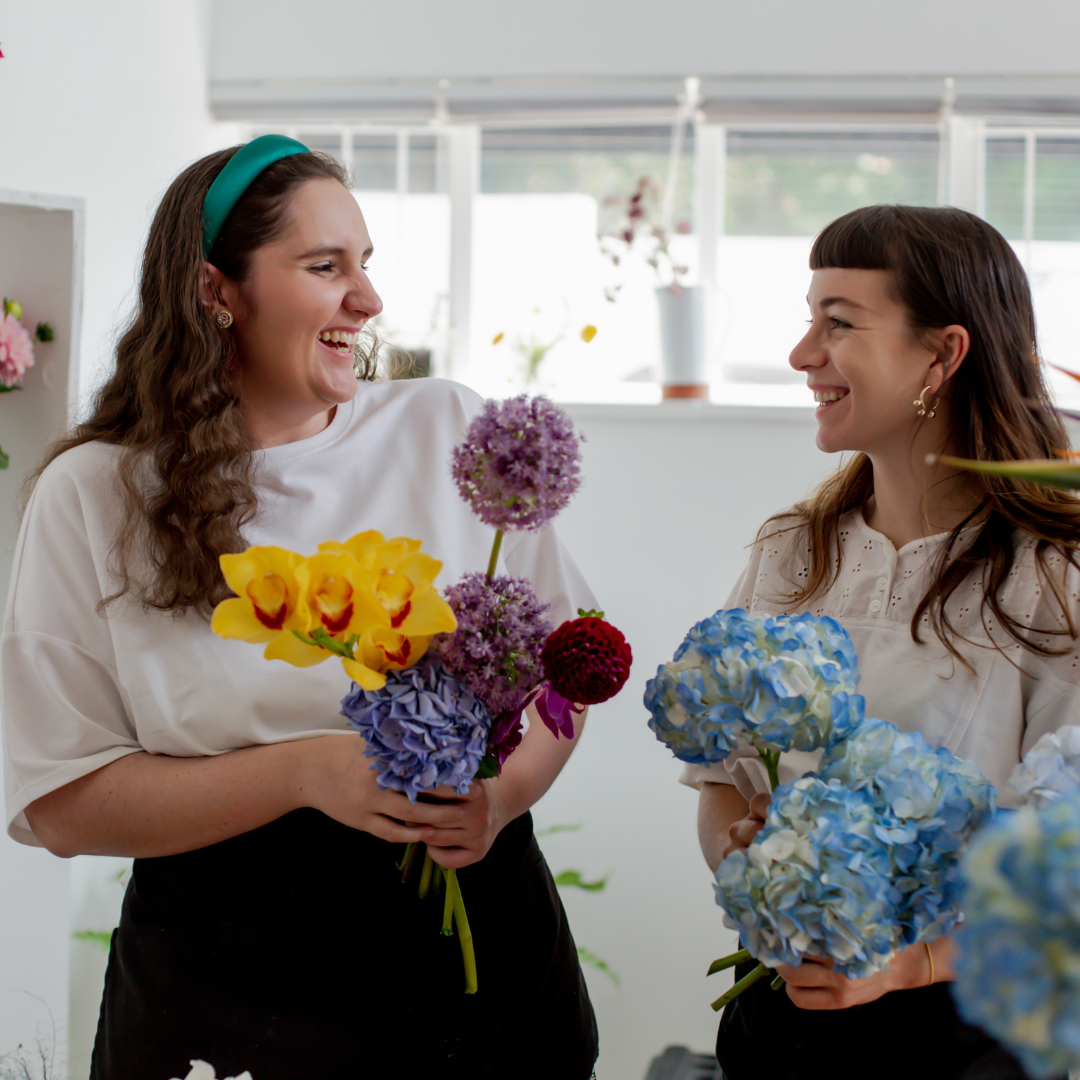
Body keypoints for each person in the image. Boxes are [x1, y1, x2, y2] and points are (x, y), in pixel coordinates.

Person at [1, 136, 598, 1080]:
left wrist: (502, 796)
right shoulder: (92, 493)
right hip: (222, 994)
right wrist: (307, 773)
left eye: (366, 265)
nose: (367, 300)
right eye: (326, 267)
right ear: (216, 291)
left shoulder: (444, 425)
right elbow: (64, 804)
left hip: (481, 974)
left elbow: (567, 676)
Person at [686, 204, 1080, 1080]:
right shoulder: (793, 550)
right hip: (778, 1016)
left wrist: (913, 962)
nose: (802, 354)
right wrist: (752, 863)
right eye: (808, 319)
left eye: (839, 323)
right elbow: (721, 785)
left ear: (942, 355)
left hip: (962, 1032)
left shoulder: (1054, 575)